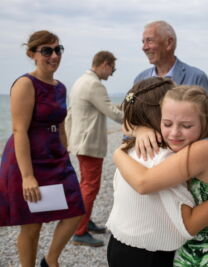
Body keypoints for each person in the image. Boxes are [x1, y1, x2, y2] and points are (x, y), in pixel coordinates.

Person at [110, 84, 208, 267]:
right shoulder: (189, 147)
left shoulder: (201, 149)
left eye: (186, 125)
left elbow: (144, 183)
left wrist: (118, 152)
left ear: (203, 122)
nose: (174, 132)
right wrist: (139, 131)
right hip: (193, 249)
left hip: (202, 252)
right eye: (167, 123)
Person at [0, 30, 85, 267]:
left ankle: (50, 260)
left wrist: (65, 153)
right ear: (32, 54)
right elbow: (19, 131)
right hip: (28, 159)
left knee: (76, 209)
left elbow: (60, 124)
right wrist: (27, 176)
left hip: (55, 157)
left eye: (58, 49)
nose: (54, 55)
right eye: (47, 51)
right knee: (32, 224)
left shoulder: (60, 87)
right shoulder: (25, 84)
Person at [65, 51, 123, 247]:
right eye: (112, 69)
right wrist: (137, 115)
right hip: (89, 144)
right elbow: (113, 113)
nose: (112, 73)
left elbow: (71, 114)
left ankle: (84, 220)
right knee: (90, 187)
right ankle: (79, 231)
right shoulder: (94, 84)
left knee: (86, 185)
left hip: (81, 142)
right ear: (105, 64)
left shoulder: (81, 81)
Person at [134, 20, 208, 95]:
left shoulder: (197, 79)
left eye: (150, 41)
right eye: (143, 42)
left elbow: (204, 108)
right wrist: (129, 100)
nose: (144, 47)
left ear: (169, 43)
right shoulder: (139, 79)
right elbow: (129, 101)